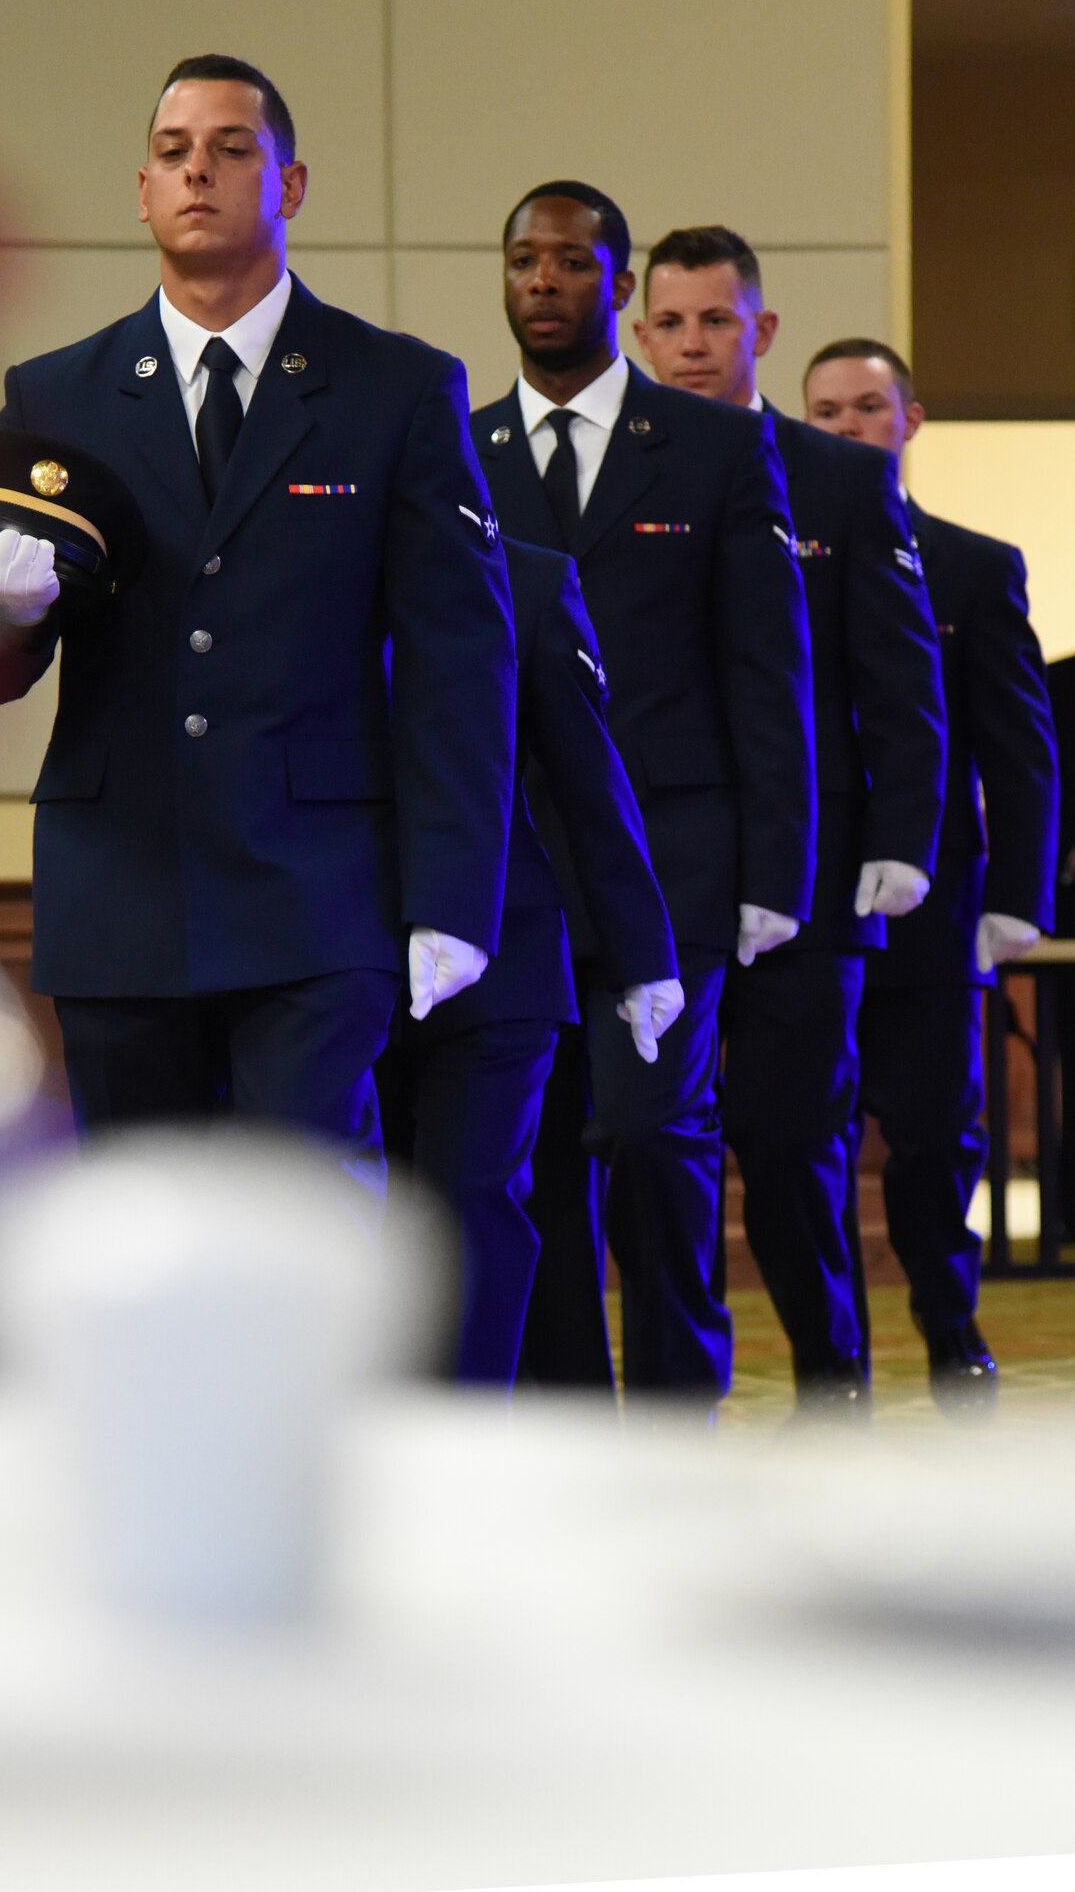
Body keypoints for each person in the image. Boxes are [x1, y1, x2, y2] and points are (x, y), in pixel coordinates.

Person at [0, 56, 517, 1179]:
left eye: (232, 147)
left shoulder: (394, 387)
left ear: (290, 186)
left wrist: (454, 895)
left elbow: (460, 655)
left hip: (318, 889)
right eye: (172, 150)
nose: (198, 169)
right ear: (140, 189)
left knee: (306, 1213)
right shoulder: (59, 395)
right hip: (121, 885)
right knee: (137, 1226)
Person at [470, 181, 814, 1408]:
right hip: (512, 877)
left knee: (646, 1137)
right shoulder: (462, 450)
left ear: (619, 285)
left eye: (571, 262)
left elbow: (766, 671)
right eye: (523, 261)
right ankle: (565, 1423)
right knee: (535, 1157)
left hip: (674, 872)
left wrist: (776, 872)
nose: (545, 281)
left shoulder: (717, 446)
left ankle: (677, 1412)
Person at [635, 229, 946, 1413]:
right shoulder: (615, 475)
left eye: (717, 322)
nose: (693, 344)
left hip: (809, 892)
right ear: (638, 331)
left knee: (791, 1166)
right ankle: (676, 1410)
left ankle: (835, 1395)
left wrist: (900, 842)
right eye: (671, 322)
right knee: (653, 1159)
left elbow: (902, 687)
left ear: (758, 333)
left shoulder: (837, 479)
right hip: (654, 884)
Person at [805, 338, 1059, 1411]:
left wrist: (1014, 898)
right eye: (827, 412)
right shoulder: (772, 559)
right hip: (802, 906)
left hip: (935, 916)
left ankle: (950, 1331)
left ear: (909, 421)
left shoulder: (972, 564)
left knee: (930, 1150)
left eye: (870, 407)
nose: (850, 427)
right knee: (799, 1144)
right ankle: (838, 1361)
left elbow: (1021, 747)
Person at [376, 537, 680, 1388]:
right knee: (357, 1213)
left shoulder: (530, 577)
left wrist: (642, 950)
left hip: (504, 951)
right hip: (330, 951)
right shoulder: (291, 565)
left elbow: (591, 776)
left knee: (475, 1210)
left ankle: (464, 1455)